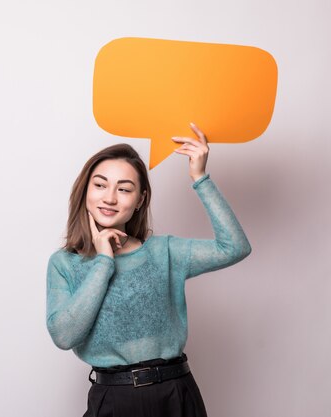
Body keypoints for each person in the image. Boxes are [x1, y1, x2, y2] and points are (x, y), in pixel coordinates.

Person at [46, 123, 251, 417]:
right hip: (113, 399)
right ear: (85, 191)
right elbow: (64, 336)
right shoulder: (64, 263)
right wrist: (103, 262)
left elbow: (234, 247)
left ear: (140, 199)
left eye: (124, 189)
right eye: (100, 185)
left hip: (175, 395)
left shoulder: (164, 252)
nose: (110, 198)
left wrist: (200, 177)